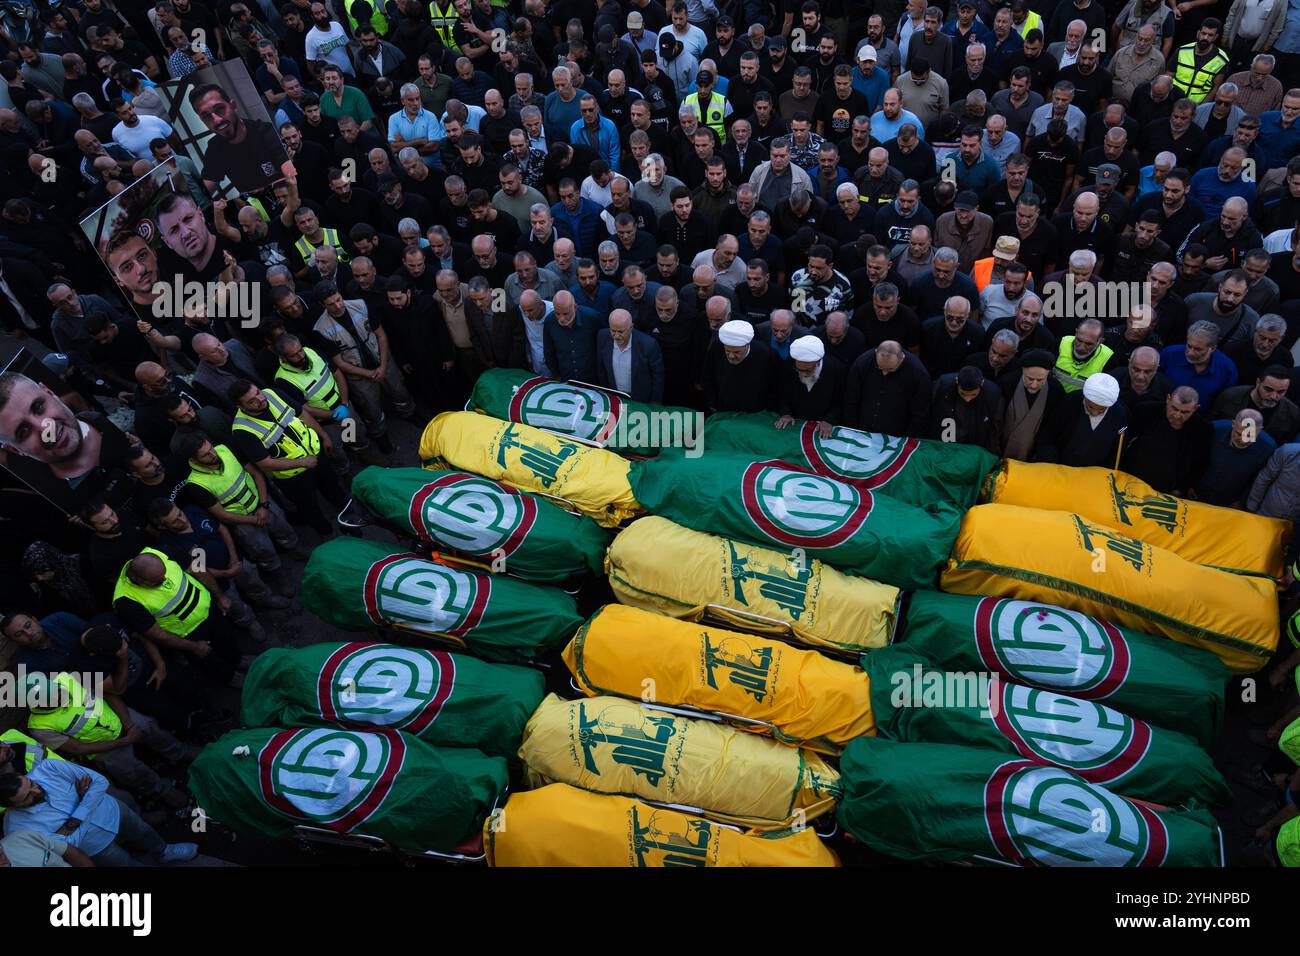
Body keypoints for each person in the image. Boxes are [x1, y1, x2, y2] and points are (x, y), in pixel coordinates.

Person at [0, 760, 197, 866]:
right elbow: (64, 846)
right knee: (126, 864)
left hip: (113, 812)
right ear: (10, 807)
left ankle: (164, 852)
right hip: (96, 848)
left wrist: (71, 824)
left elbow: (100, 782)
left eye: (31, 784)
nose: (37, 790)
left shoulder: (48, 769)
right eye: (27, 797)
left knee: (144, 832)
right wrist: (84, 800)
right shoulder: (16, 828)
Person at [189, 82, 293, 196]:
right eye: (206, 116)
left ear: (233, 106)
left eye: (219, 109)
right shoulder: (215, 148)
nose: (216, 120)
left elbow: (288, 168)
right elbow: (204, 191)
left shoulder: (264, 131)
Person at [842, 340, 932, 436]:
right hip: (862, 430)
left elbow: (920, 412)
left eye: (891, 369)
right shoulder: (863, 363)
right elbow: (851, 399)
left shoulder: (918, 373)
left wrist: (908, 439)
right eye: (880, 368)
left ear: (901, 359)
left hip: (896, 434)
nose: (884, 373)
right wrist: (852, 429)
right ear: (876, 354)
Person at [702, 317, 777, 413]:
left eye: (737, 352)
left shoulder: (766, 354)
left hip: (756, 412)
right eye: (727, 351)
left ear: (748, 344)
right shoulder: (717, 347)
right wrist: (712, 402)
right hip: (723, 409)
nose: (732, 356)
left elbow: (774, 386)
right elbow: (707, 376)